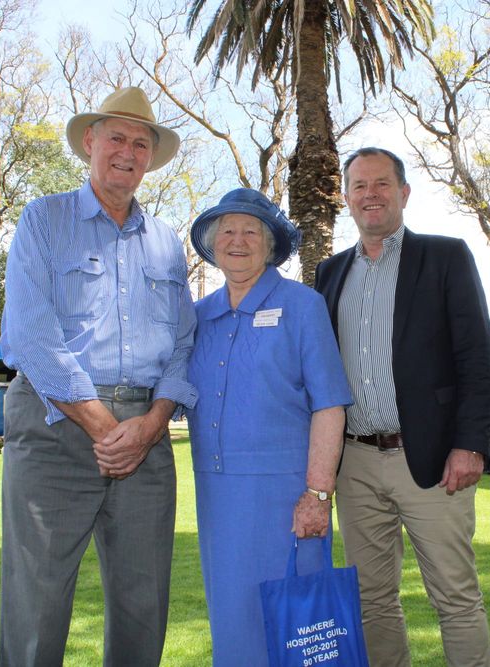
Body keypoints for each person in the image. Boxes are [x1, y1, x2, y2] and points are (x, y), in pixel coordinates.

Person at [0, 87, 196, 665]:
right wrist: (109, 429)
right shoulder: (44, 219)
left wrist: (152, 423)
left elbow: (184, 342)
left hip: (147, 437)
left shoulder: (164, 242)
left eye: (141, 143)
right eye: (117, 137)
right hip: (54, 429)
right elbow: (30, 334)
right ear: (90, 142)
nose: (128, 152)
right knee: (37, 605)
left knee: (144, 604)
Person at [315, 147, 490, 667]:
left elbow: (477, 359)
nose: (370, 194)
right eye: (359, 185)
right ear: (346, 197)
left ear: (404, 193)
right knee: (371, 602)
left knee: (456, 599)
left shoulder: (445, 256)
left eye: (382, 184)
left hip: (435, 462)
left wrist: (468, 445)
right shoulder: (329, 273)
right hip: (355, 464)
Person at [185, 189, 353, 665]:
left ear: (270, 243)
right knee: (233, 623)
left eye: (250, 231)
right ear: (214, 244)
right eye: (228, 232)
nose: (237, 241)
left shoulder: (302, 306)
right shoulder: (199, 317)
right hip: (217, 497)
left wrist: (318, 495)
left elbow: (329, 406)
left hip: (287, 498)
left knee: (296, 632)